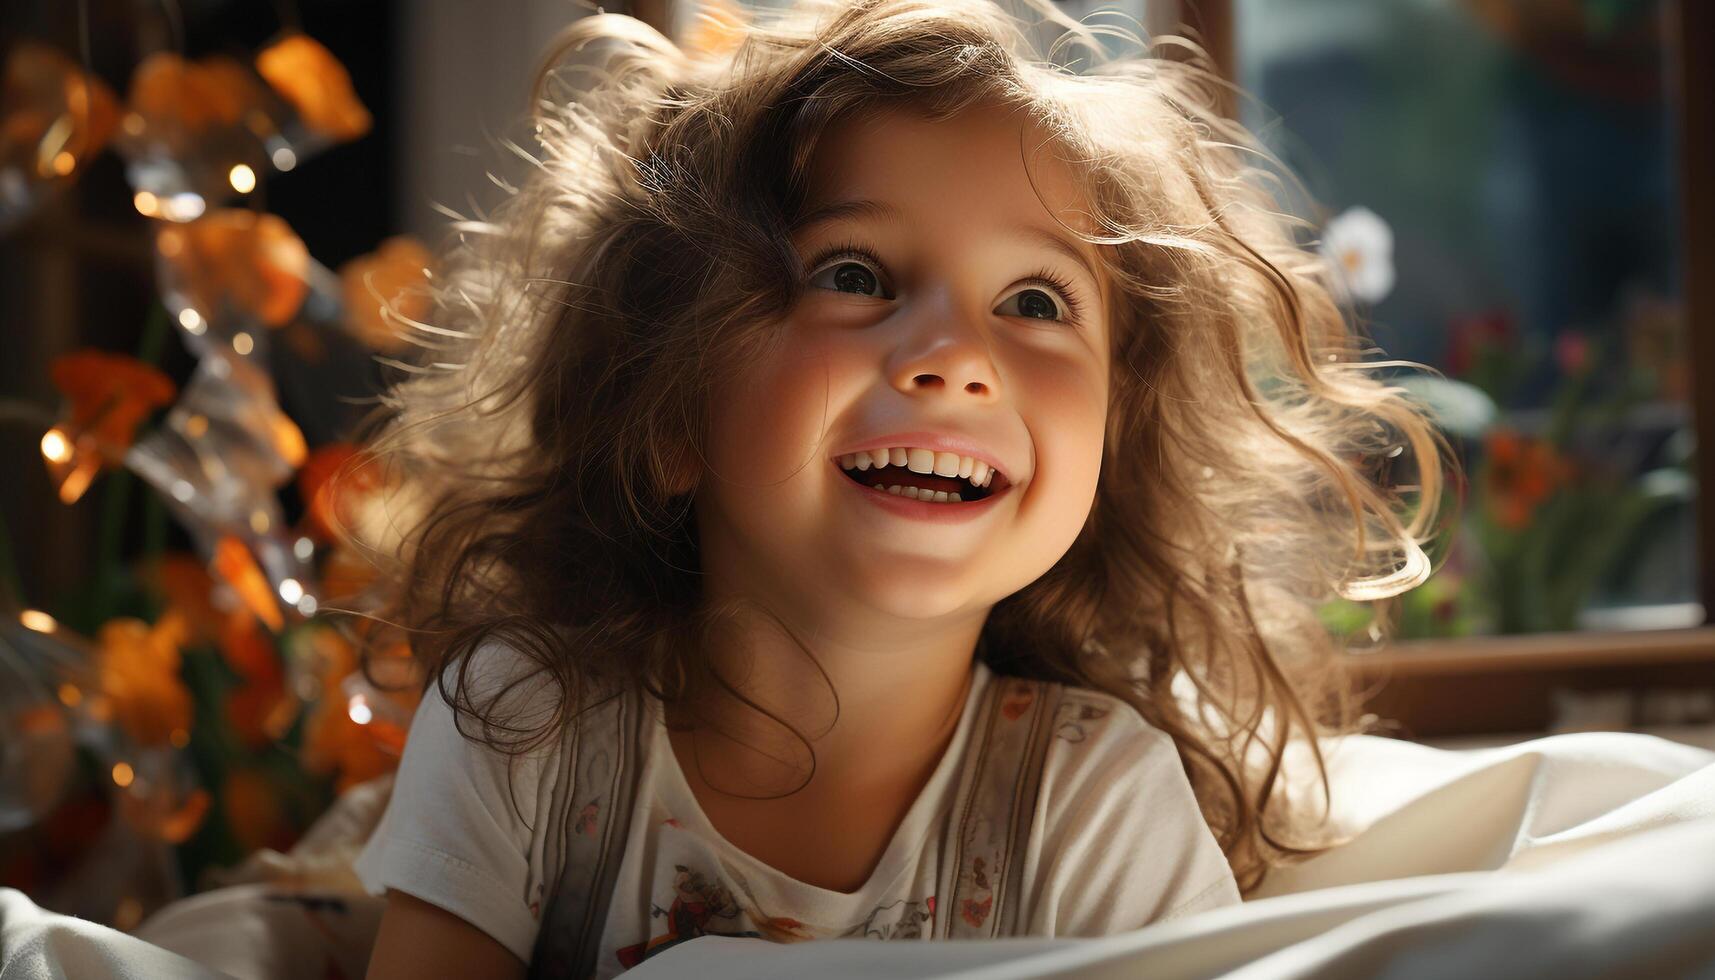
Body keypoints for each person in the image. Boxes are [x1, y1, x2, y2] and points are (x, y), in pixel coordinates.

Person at [349, 1, 1446, 977]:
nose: (956, 355)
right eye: (853, 275)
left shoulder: (1093, 802)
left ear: (1112, 448)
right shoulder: (524, 723)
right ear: (669, 409)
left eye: (1033, 300)